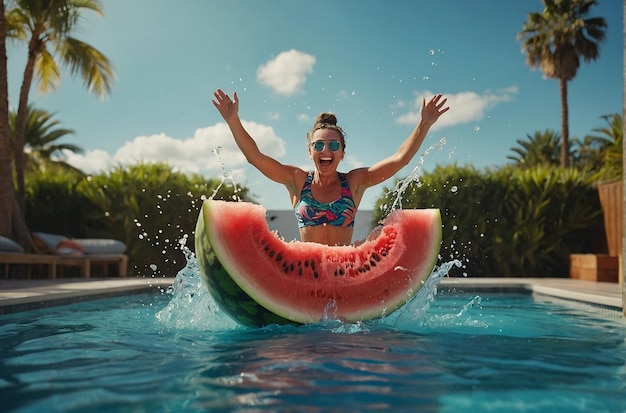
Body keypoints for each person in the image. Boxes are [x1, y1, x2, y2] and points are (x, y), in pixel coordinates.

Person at [212, 88, 449, 246]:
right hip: (305, 276)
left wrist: (424, 124)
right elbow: (256, 157)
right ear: (310, 151)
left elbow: (399, 160)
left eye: (333, 145)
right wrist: (233, 120)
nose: (326, 150)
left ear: (342, 153)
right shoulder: (296, 180)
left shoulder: (354, 182)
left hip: (346, 274)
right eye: (319, 145)